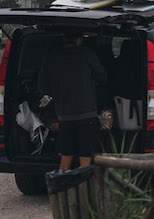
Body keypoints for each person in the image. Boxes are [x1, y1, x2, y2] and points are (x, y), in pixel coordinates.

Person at [38, 31, 107, 170]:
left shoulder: (52, 57)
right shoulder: (87, 54)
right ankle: (83, 188)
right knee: (85, 160)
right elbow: (103, 77)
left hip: (63, 117)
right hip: (87, 116)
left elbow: (42, 87)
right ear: (79, 39)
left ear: (63, 38)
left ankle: (63, 187)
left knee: (65, 158)